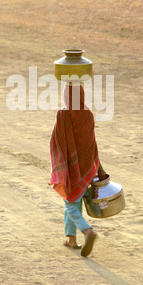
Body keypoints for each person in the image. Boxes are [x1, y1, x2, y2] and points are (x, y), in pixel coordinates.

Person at [49, 83, 108, 257]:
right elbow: (92, 144)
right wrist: (99, 168)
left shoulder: (64, 114)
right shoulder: (88, 115)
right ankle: (71, 240)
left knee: (70, 203)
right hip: (88, 167)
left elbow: (57, 141)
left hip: (70, 167)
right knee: (75, 200)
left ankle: (87, 231)